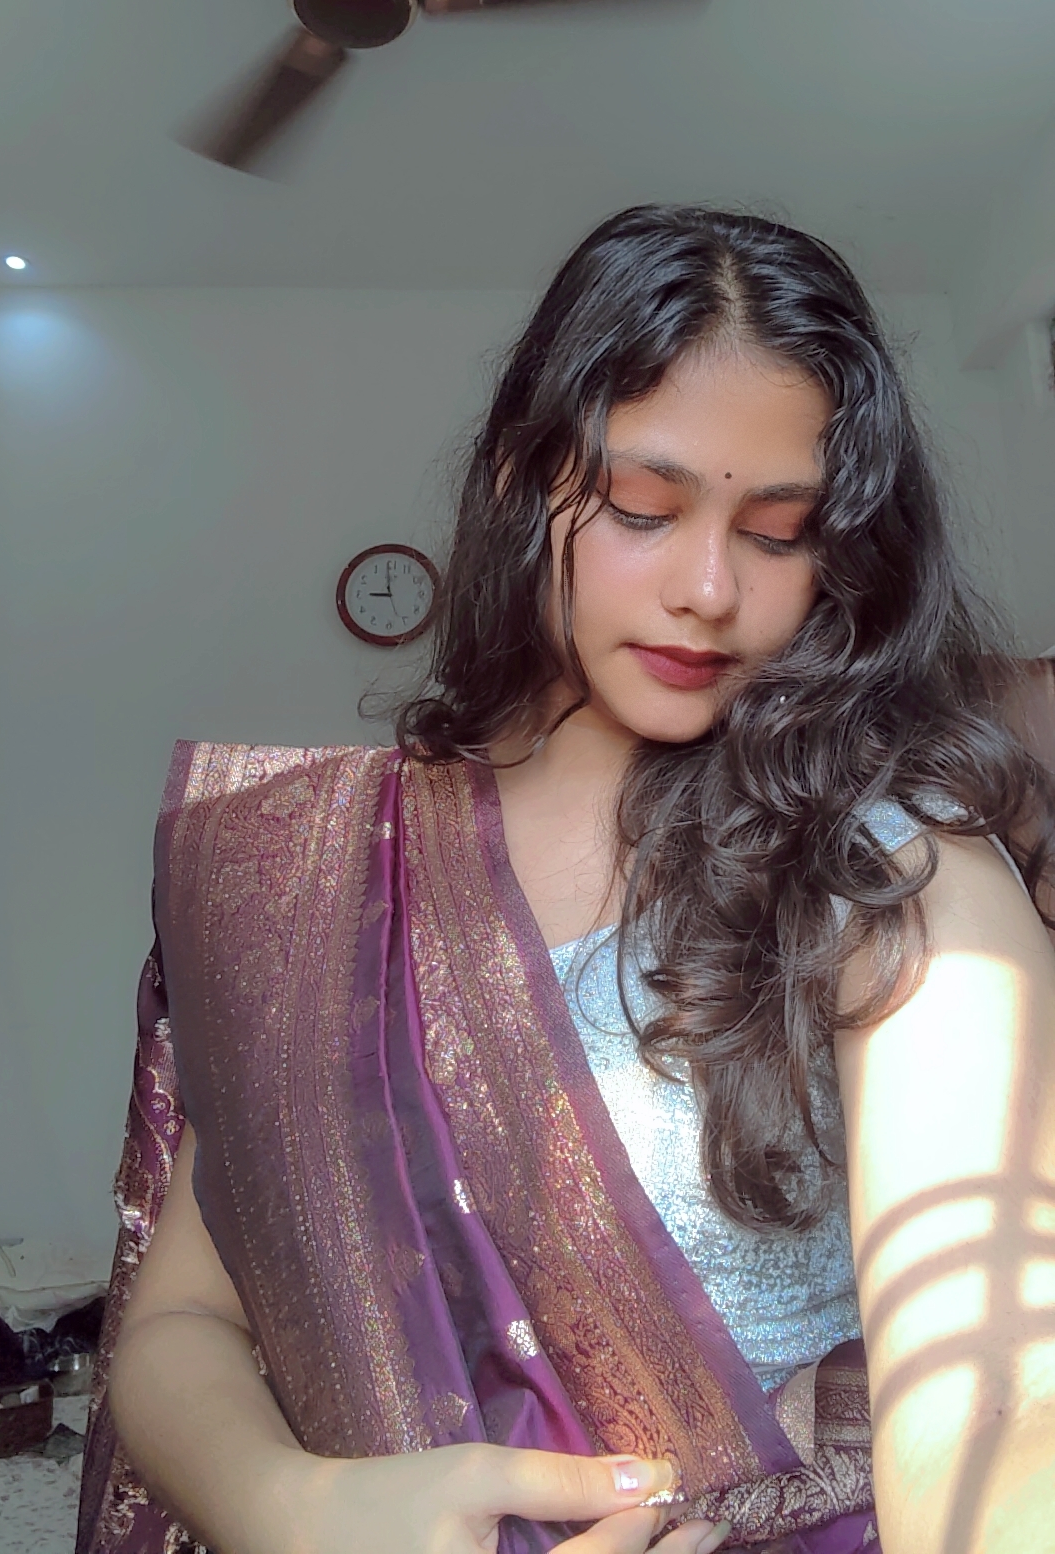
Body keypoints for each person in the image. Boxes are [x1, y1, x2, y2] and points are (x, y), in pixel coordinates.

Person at [77, 207, 1055, 1554]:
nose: (708, 587)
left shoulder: (887, 861)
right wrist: (292, 1508)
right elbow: (182, 1315)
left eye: (779, 533)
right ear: (520, 485)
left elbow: (1000, 1386)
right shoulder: (319, 874)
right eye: (645, 510)